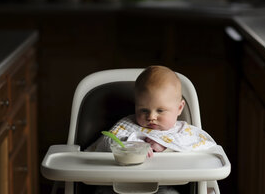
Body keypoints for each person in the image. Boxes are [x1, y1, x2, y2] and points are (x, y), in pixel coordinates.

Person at [87, 65, 216, 193]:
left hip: (163, 186)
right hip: (119, 185)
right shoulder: (127, 124)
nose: (151, 117)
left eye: (160, 110)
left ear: (179, 108)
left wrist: (166, 146)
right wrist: (133, 146)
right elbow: (107, 142)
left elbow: (201, 145)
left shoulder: (184, 131)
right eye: (144, 110)